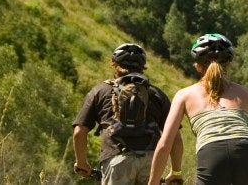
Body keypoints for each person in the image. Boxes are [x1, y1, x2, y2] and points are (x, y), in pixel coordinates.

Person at [149, 34, 248, 185]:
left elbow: (164, 145)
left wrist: (153, 182)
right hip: (247, 152)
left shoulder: (184, 95)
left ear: (197, 66)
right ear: (228, 65)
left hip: (212, 153)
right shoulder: (247, 94)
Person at [73, 43, 184, 184]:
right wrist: (175, 172)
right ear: (143, 66)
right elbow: (175, 137)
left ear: (114, 64)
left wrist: (81, 163)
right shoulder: (156, 94)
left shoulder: (100, 91)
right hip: (151, 162)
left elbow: (79, 132)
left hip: (116, 159)